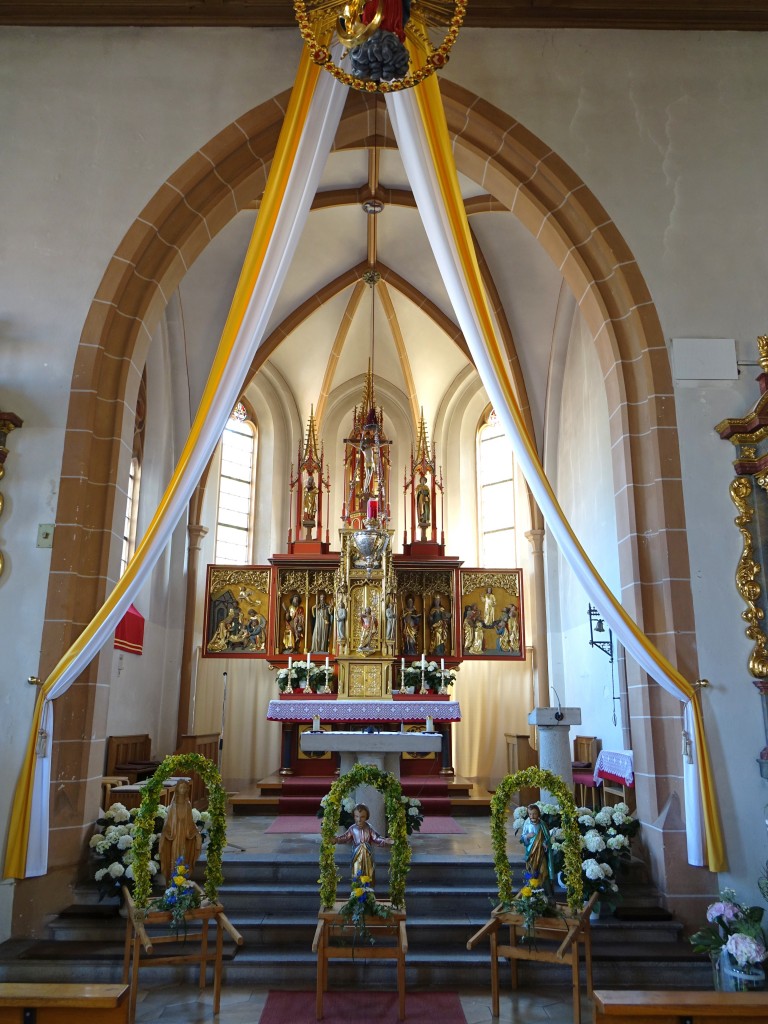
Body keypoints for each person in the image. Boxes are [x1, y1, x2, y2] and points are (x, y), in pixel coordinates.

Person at [331, 803, 394, 887]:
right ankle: (357, 891)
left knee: (368, 873)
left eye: (362, 817)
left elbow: (376, 838)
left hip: (368, 855)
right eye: (357, 816)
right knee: (357, 872)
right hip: (357, 855)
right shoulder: (352, 828)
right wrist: (336, 839)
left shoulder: (369, 828)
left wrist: (385, 840)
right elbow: (345, 837)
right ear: (354, 816)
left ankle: (368, 892)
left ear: (366, 817)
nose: (359, 820)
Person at [158, 780, 202, 880]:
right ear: (177, 789)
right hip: (175, 835)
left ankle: (182, 879)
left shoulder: (188, 805)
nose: (182, 790)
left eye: (184, 788)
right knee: (175, 856)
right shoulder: (173, 806)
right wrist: (166, 832)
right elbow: (168, 823)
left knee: (183, 855)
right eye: (181, 787)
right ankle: (174, 880)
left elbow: (190, 823)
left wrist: (195, 833)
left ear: (187, 789)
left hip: (184, 835)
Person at [521, 803, 555, 893]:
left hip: (541, 853)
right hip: (531, 854)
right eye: (530, 814)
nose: (532, 816)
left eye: (534, 813)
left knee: (543, 871)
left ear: (538, 814)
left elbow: (547, 838)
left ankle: (547, 894)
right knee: (530, 872)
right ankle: (530, 891)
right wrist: (527, 836)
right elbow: (522, 838)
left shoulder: (542, 824)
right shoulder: (527, 824)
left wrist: (545, 844)